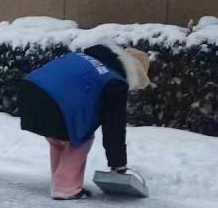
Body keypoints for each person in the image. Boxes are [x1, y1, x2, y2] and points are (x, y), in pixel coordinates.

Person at [19, 42, 151, 199]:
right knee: (82, 136)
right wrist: (118, 164)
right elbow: (114, 127)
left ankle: (59, 179)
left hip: (30, 91)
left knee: (60, 138)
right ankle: (66, 188)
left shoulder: (86, 57)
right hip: (57, 103)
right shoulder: (115, 82)